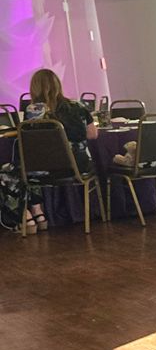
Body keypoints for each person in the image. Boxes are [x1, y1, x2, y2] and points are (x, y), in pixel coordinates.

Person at [19, 67, 98, 234]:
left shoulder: (32, 111)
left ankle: (31, 214)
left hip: (44, 168)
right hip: (78, 167)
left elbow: (30, 141)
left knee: (17, 169)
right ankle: (36, 214)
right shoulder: (78, 106)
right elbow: (93, 134)